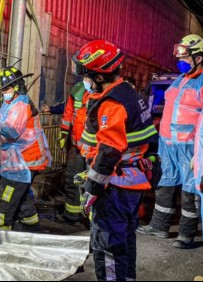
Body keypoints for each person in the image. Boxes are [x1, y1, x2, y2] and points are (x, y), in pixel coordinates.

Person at [72, 39, 158, 281]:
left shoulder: (112, 103)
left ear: (99, 76)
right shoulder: (126, 92)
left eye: (86, 75)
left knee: (107, 245)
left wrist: (93, 186)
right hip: (131, 182)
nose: (84, 80)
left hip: (115, 186)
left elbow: (109, 151)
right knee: (124, 242)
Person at [137, 34, 203, 249]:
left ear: (199, 57)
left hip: (190, 145)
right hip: (168, 142)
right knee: (165, 182)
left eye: (186, 55)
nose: (180, 59)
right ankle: (159, 226)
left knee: (190, 189)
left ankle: (186, 234)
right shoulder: (180, 79)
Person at [0, 66, 52, 231]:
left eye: (7, 88)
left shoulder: (21, 103)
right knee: (22, 193)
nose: (4, 92)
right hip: (21, 158)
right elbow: (1, 117)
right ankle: (29, 221)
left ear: (17, 87)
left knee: (6, 196)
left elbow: (11, 130)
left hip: (24, 161)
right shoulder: (11, 102)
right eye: (3, 89)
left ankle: (2, 227)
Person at [55, 81, 90, 226]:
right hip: (77, 145)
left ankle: (91, 219)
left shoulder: (107, 91)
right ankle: (71, 215)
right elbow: (68, 114)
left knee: (93, 184)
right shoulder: (77, 89)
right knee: (72, 179)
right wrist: (63, 133)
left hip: (95, 149)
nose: (87, 80)